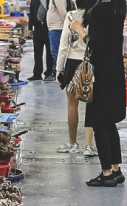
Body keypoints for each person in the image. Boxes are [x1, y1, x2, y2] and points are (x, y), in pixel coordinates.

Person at [70, 0, 127, 186]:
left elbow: (95, 44)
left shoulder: (101, 10)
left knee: (99, 122)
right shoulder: (118, 7)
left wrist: (79, 29)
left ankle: (107, 173)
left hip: (101, 74)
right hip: (115, 70)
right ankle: (116, 169)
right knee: (110, 122)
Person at [54, 0, 96, 156]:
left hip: (72, 62)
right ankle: (89, 146)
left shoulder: (71, 16)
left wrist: (59, 69)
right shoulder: (96, 15)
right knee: (91, 104)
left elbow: (63, 44)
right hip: (92, 61)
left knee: (72, 104)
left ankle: (72, 143)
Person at [29, 0, 55, 80]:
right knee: (37, 51)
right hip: (37, 27)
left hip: (48, 27)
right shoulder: (34, 1)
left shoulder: (51, 1)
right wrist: (30, 28)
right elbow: (31, 13)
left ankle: (49, 72)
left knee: (49, 52)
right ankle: (37, 73)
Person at [46, 0, 71, 80]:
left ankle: (56, 74)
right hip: (54, 28)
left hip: (57, 28)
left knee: (56, 52)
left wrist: (67, 25)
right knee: (54, 51)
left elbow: (63, 13)